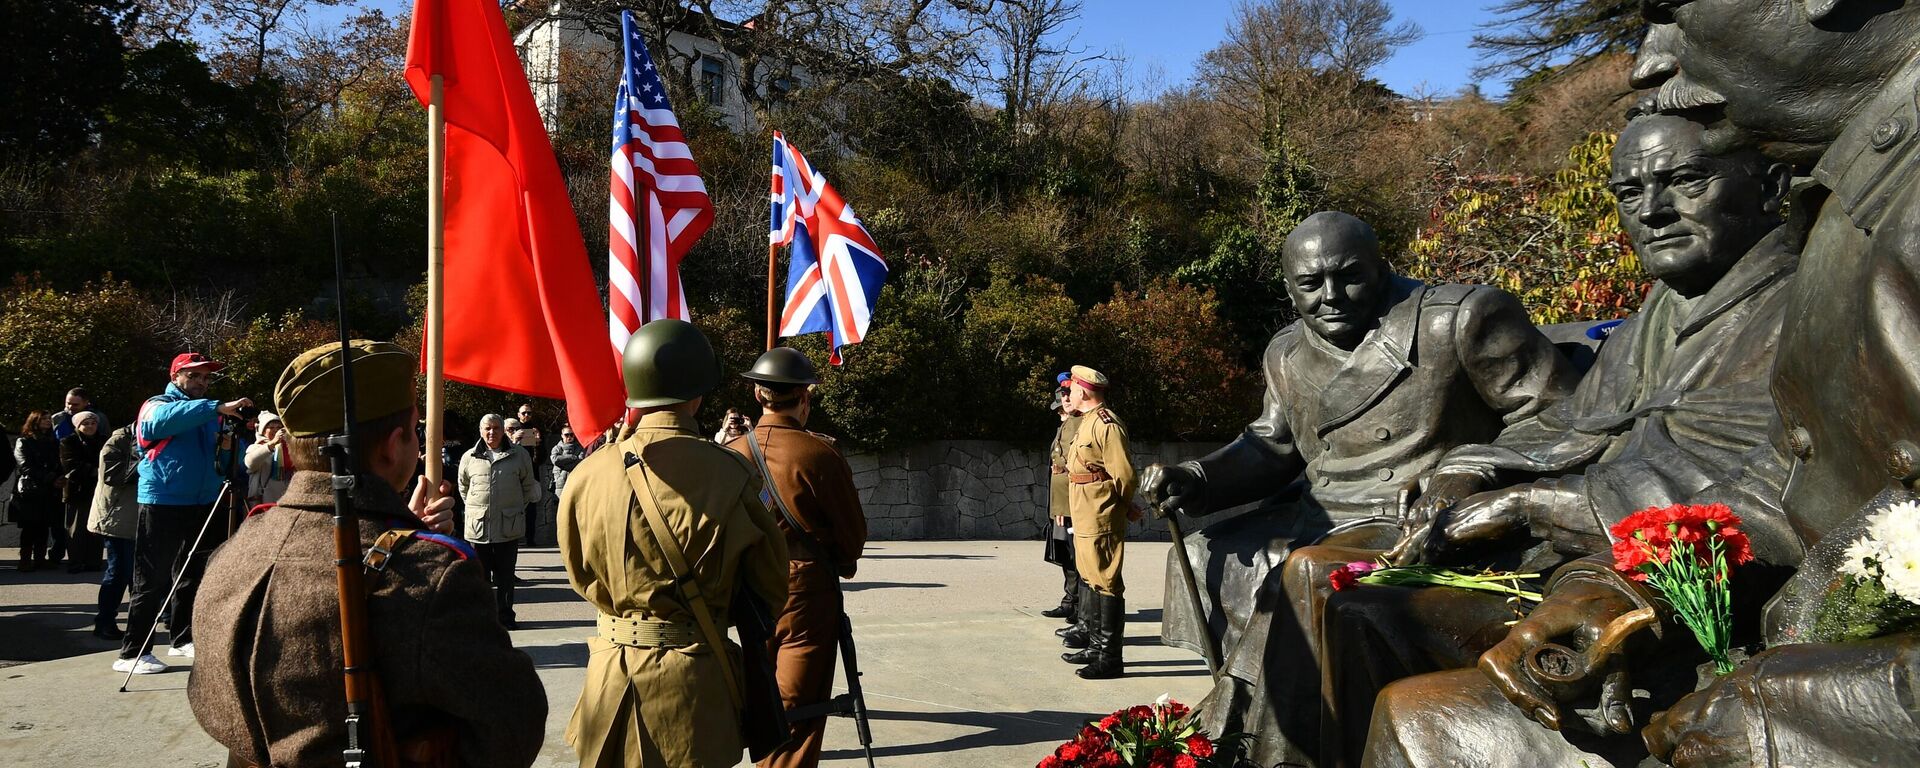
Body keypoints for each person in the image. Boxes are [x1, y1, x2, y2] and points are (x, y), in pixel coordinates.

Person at [1363, 4, 1920, 765]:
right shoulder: (1855, 201)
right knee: (1415, 709)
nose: (1657, 62)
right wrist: (1620, 597)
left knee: (1423, 712)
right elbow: (1794, 482)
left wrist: (1792, 706)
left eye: (1680, 11)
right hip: (1760, 613)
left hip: (1834, 677)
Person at [1279, 112, 1797, 766]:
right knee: (1355, 611)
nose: (1654, 212)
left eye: (1687, 181)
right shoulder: (1653, 319)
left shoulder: (1798, 307)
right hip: (1584, 560)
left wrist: (1535, 505)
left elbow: (1757, 482)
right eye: (1630, 193)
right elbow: (1570, 427)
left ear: (1772, 184)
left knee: (1396, 681)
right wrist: (1464, 474)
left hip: (1688, 596)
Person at [1137, 211, 1577, 765]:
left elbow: (1559, 415)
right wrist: (1198, 478)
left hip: (1415, 514)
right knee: (1202, 553)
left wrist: (1470, 470)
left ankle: (1265, 735)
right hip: (1322, 509)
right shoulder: (1286, 352)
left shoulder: (1458, 319)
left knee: (1301, 573)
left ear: (1382, 267)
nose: (1331, 296)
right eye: (1310, 284)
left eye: (1349, 276)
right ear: (1287, 287)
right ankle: (1250, 711)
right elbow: (1271, 446)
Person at [187, 340, 547, 768]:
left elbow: (209, 697)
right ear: (393, 445)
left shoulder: (233, 551)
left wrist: (400, 531)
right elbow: (513, 724)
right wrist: (413, 550)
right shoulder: (431, 576)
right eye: (415, 430)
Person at [557, 319, 789, 768]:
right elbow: (771, 587)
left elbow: (578, 574)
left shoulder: (587, 474)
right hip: (694, 684)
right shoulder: (730, 474)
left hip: (610, 681)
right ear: (699, 389)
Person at [724, 347, 868, 768]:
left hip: (745, 591)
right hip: (804, 591)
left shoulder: (730, 454)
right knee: (798, 708)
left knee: (754, 696)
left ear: (757, 395)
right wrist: (838, 562)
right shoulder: (819, 453)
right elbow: (852, 537)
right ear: (805, 397)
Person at [117, 351, 253, 674]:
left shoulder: (210, 413)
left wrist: (239, 432)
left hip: (203, 500)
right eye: (193, 375)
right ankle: (132, 652)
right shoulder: (157, 404)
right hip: (162, 500)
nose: (201, 382)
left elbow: (230, 455)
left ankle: (181, 638)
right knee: (151, 577)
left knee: (192, 574)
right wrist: (216, 407)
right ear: (176, 376)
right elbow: (161, 422)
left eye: (206, 377)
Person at [1059, 365, 1137, 679]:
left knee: (1105, 579)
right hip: (1084, 507)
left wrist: (1125, 506)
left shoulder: (1107, 424)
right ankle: (1094, 646)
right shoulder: (1087, 421)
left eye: (1071, 389)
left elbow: (1125, 474)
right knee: (1090, 577)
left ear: (1085, 391)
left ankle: (1110, 658)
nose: (1068, 394)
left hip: (1100, 510)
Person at [458, 413, 539, 629]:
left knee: (505, 577)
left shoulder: (519, 455)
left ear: (503, 430)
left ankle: (505, 617)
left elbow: (528, 486)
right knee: (480, 579)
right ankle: (483, 620)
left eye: (496, 428)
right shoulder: (469, 457)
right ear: (480, 431)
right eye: (487, 428)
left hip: (507, 527)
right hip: (479, 528)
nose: (491, 432)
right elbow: (463, 487)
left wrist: (513, 510)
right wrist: (478, 509)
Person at [87, 424, 140, 640]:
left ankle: (138, 623)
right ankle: (105, 621)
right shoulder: (118, 440)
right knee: (119, 572)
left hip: (140, 517)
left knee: (140, 576)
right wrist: (146, 459)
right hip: (116, 517)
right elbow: (112, 474)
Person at [1041, 386, 1083, 622]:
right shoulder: (1063, 430)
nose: (1062, 411)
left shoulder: (1080, 427)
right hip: (1060, 501)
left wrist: (1064, 506)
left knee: (1075, 554)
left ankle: (1077, 606)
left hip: (1072, 501)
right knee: (1065, 554)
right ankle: (1070, 601)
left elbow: (1072, 469)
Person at [11, 411, 63, 573]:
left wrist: (57, 476)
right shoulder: (24, 441)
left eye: (49, 419)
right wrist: (48, 477)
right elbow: (24, 465)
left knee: (44, 525)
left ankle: (40, 559)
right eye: (44, 419)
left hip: (49, 489)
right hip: (31, 490)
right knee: (29, 526)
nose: (47, 422)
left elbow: (59, 461)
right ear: (35, 421)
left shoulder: (53, 442)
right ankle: (25, 559)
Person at [58, 411, 108, 572]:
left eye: (93, 423)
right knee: (76, 529)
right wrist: (96, 471)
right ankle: (76, 561)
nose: (90, 426)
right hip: (77, 491)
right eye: (86, 423)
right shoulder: (68, 441)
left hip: (99, 490)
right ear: (78, 425)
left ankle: (94, 561)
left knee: (96, 529)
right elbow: (70, 466)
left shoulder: (104, 441)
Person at [243, 412, 290, 507]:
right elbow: (250, 463)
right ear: (263, 431)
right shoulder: (256, 447)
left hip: (286, 499)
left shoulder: (288, 447)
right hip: (264, 500)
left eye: (278, 427)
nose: (276, 430)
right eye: (271, 427)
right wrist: (272, 444)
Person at [549, 424, 584, 503]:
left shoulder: (579, 448)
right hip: (560, 481)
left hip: (575, 480)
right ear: (562, 435)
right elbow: (555, 460)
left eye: (571, 434)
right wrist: (572, 457)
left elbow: (580, 461)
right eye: (566, 435)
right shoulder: (557, 448)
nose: (569, 437)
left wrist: (563, 464)